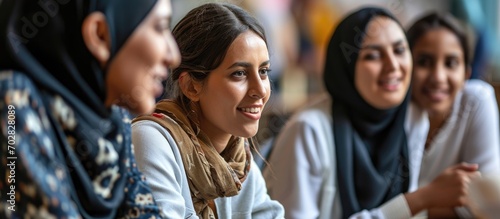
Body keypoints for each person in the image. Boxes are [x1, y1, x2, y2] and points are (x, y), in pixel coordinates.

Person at [263, 7, 480, 219]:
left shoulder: (411, 119)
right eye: (373, 56)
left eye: (399, 50)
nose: (393, 66)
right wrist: (418, 200)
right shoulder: (309, 131)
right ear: (346, 68)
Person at [0, 0, 180, 218]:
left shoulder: (115, 119)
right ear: (99, 35)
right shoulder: (12, 101)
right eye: (160, 27)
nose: (174, 56)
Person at [131, 3, 285, 219]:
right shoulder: (151, 140)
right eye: (239, 73)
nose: (260, 90)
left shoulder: (237, 157)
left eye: (263, 71)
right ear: (191, 86)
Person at [406, 12, 500, 218]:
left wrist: (411, 205)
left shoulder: (477, 101)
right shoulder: (395, 112)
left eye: (450, 63)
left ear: (466, 74)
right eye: (424, 61)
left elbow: (488, 203)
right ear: (406, 67)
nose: (438, 77)